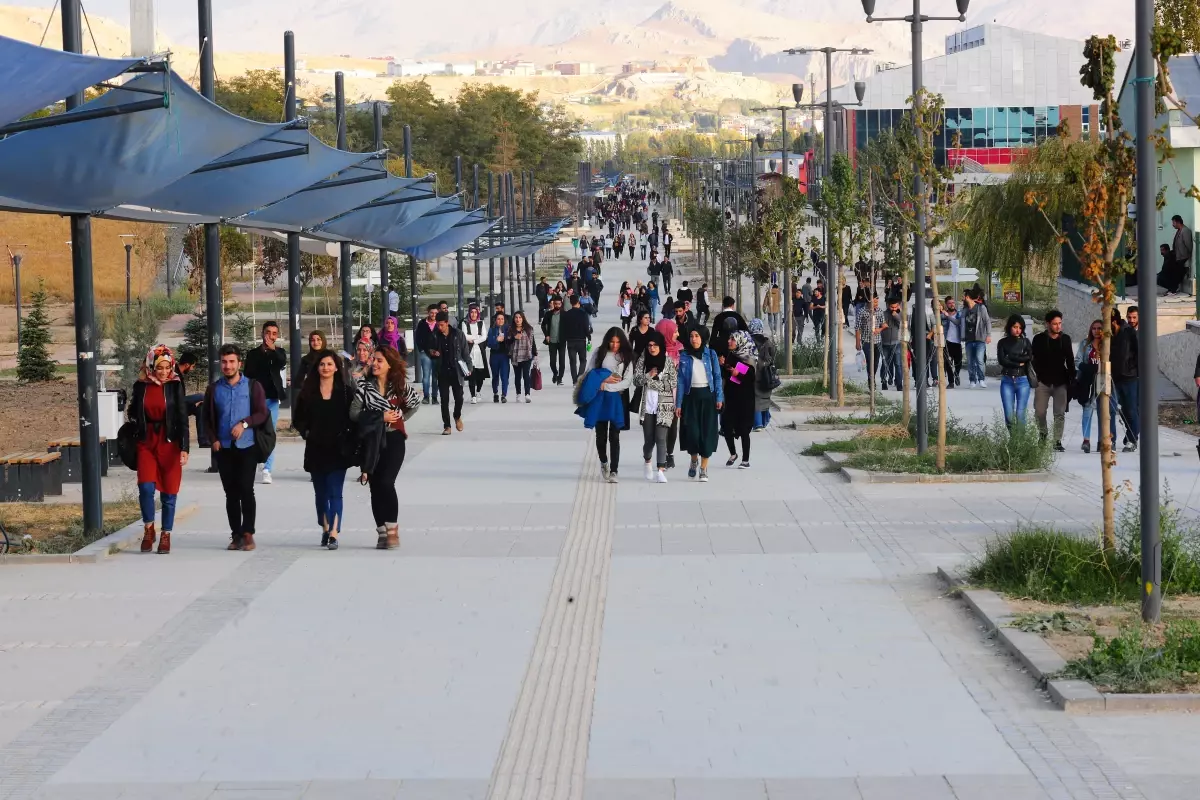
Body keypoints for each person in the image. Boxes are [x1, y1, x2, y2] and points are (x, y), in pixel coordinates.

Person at [204, 344, 270, 552]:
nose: (228, 366)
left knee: (246, 489)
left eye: (232, 362)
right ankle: (236, 534)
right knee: (231, 493)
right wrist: (213, 439)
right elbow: (206, 418)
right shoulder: (214, 389)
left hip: (247, 445)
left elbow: (262, 413)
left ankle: (248, 532)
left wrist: (244, 423)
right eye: (224, 362)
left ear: (239, 363)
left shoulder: (252, 386)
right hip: (224, 448)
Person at [355, 346, 419, 550]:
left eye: (379, 360)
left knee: (386, 482)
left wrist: (400, 418)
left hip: (394, 439)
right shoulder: (364, 387)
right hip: (371, 441)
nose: (374, 363)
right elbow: (353, 414)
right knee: (374, 485)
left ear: (389, 364)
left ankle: (392, 529)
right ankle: (382, 532)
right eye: (373, 359)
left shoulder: (399, 385)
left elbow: (414, 403)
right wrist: (379, 417)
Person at [129, 345, 189, 555]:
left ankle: (166, 534)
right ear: (151, 366)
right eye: (159, 367)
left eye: (167, 367)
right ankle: (148, 529)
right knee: (146, 487)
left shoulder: (175, 385)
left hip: (170, 442)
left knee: (169, 491)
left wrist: (185, 447)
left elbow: (182, 417)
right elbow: (132, 411)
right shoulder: (141, 385)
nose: (164, 372)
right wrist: (136, 425)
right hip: (146, 442)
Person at [293, 350, 354, 550]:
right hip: (316, 449)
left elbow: (353, 418)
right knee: (321, 495)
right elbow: (298, 419)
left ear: (336, 367)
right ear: (317, 367)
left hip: (338, 450)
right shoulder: (307, 393)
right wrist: (307, 432)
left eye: (329, 364)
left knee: (335, 492)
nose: (325, 368)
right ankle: (325, 528)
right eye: (322, 364)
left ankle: (334, 533)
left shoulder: (345, 392)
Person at [577, 328, 633, 483]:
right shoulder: (599, 353)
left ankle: (614, 470)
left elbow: (627, 381)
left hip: (618, 398)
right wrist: (603, 380)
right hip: (600, 398)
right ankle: (603, 461)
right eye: (612, 342)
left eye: (618, 342)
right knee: (601, 435)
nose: (615, 345)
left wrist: (607, 386)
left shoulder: (626, 356)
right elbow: (589, 372)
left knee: (615, 435)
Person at [676, 326, 723, 482]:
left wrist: (719, 398)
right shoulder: (684, 355)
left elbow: (717, 376)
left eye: (697, 336)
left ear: (702, 338)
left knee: (707, 434)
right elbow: (680, 380)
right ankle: (694, 459)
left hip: (708, 397)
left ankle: (703, 468)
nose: (694, 339)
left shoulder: (710, 354)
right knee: (692, 433)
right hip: (691, 398)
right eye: (691, 336)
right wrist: (679, 403)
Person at [241, 321, 285, 485]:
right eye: (268, 332)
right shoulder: (253, 354)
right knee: (253, 431)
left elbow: (282, 362)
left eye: (274, 333)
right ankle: (255, 461)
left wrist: (272, 351)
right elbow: (248, 374)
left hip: (272, 399)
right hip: (255, 399)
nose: (270, 336)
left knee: (269, 432)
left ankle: (267, 469)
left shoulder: (279, 352)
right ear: (262, 333)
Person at [633, 331, 677, 484]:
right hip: (648, 407)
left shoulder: (668, 361)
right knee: (649, 440)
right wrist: (648, 375)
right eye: (649, 345)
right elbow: (636, 380)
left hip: (664, 406)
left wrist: (651, 383)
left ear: (661, 346)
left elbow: (673, 383)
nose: (652, 348)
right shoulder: (643, 360)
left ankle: (661, 470)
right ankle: (647, 460)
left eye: (655, 345)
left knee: (661, 438)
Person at [1031, 309, 1075, 452]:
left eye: (1060, 323)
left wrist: (1072, 380)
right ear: (1047, 324)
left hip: (1060, 382)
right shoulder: (1039, 339)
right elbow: (1033, 359)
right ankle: (1043, 434)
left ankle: (1057, 441)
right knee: (1039, 412)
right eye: (1055, 324)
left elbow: (1070, 361)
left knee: (1059, 413)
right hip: (1042, 382)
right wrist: (1036, 376)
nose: (1058, 326)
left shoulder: (1065, 339)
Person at [428, 311, 471, 434]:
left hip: (456, 370)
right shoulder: (434, 335)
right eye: (438, 325)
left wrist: (469, 367)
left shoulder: (458, 334)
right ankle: (447, 426)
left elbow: (465, 352)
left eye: (441, 325)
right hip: (442, 371)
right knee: (444, 399)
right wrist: (432, 352)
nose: (439, 327)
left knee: (459, 398)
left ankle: (457, 416)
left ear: (447, 323)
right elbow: (429, 349)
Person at [721, 330, 757, 468]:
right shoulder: (731, 355)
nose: (729, 341)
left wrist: (738, 374)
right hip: (731, 397)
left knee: (744, 429)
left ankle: (745, 460)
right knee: (726, 426)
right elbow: (727, 374)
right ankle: (733, 453)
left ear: (741, 342)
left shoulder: (749, 358)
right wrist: (723, 365)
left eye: (733, 339)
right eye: (729, 339)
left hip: (745, 399)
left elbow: (751, 377)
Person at [1110, 305, 1140, 452]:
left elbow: (1139, 353)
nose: (1131, 320)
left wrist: (1135, 371)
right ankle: (1128, 435)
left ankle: (1132, 439)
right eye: (1129, 317)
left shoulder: (1130, 333)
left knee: (1132, 410)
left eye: (1134, 317)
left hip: (1130, 377)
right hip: (1115, 378)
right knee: (1120, 410)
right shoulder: (1112, 334)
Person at [997, 314, 1034, 429]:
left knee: (1020, 414)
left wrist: (1011, 357)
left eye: (1020, 328)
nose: (1018, 330)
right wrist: (1018, 363)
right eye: (1015, 327)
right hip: (1007, 380)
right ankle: (1013, 438)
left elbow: (1029, 357)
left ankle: (1021, 438)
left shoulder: (1025, 342)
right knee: (1009, 415)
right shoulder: (1002, 342)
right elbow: (1002, 360)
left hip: (1023, 381)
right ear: (1009, 327)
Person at [1075, 319, 1104, 454]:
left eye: (1099, 328)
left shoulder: (1107, 344)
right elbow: (1078, 361)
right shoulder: (1085, 344)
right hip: (1088, 380)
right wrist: (1087, 368)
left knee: (1103, 411)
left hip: (1103, 379)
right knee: (1087, 409)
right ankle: (1086, 440)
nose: (1096, 331)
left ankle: (1101, 441)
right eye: (1094, 328)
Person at [749, 319, 777, 430]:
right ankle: (763, 420)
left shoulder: (748, 341)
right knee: (765, 398)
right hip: (766, 374)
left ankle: (758, 423)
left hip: (752, 373)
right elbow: (773, 355)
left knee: (755, 399)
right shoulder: (767, 341)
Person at [509, 310, 539, 404]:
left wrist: (535, 353)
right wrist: (514, 338)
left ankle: (527, 394)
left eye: (520, 317)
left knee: (526, 375)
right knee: (518, 376)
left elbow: (532, 342)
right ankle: (518, 394)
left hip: (527, 354)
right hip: (515, 355)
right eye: (516, 318)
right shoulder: (511, 329)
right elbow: (507, 342)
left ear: (523, 319)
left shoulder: (529, 329)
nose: (518, 319)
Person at [962, 290, 991, 388]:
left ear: (967, 297)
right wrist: (947, 316)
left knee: (979, 360)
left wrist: (988, 335)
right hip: (969, 339)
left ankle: (981, 379)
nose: (962, 298)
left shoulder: (981, 308)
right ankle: (972, 380)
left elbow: (987, 321)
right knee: (970, 361)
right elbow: (959, 322)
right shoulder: (965, 310)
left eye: (963, 296)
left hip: (980, 339)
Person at [855, 294, 885, 389]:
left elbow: (883, 324)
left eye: (877, 302)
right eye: (874, 302)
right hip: (866, 341)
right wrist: (857, 342)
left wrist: (880, 329)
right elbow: (857, 328)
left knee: (876, 363)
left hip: (877, 341)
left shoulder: (879, 311)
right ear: (869, 301)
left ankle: (872, 377)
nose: (876, 304)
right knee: (870, 361)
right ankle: (871, 381)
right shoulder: (862, 312)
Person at [462, 304, 490, 403]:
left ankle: (478, 391)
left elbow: (484, 336)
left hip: (479, 351)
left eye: (475, 312)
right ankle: (473, 395)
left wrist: (474, 340)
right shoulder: (465, 323)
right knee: (471, 374)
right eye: (472, 312)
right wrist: (477, 336)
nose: (473, 314)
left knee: (480, 374)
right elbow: (465, 336)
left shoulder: (481, 323)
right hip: (469, 352)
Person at [414, 304, 441, 403]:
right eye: (431, 313)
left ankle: (434, 397)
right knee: (426, 376)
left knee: (435, 377)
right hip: (425, 353)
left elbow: (443, 338)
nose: (433, 315)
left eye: (435, 313)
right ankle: (426, 396)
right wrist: (422, 349)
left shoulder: (440, 323)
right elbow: (418, 338)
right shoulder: (422, 323)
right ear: (428, 313)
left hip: (437, 353)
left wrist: (439, 351)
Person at [563, 294, 592, 383]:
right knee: (583, 360)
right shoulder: (583, 314)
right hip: (581, 340)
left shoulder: (567, 314)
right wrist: (589, 337)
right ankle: (579, 377)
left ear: (570, 302)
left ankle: (574, 380)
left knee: (572, 361)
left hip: (570, 341)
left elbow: (564, 328)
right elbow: (586, 327)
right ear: (578, 302)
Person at [541, 295, 566, 386]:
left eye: (559, 304)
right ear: (553, 304)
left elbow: (569, 326)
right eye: (555, 304)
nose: (557, 305)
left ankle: (560, 378)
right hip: (552, 341)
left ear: (561, 304)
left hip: (562, 341)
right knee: (552, 362)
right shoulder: (548, 314)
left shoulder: (565, 314)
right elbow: (543, 325)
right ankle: (555, 373)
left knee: (562, 361)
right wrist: (546, 335)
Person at [488, 311, 512, 402]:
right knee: (495, 376)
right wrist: (496, 340)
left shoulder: (508, 329)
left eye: (502, 319)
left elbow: (511, 341)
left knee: (504, 376)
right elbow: (489, 343)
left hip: (504, 355)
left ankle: (504, 395)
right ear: (496, 320)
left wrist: (506, 339)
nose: (500, 321)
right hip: (494, 355)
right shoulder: (492, 330)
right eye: (498, 319)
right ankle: (495, 393)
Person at [941, 297, 963, 388]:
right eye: (949, 303)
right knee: (947, 362)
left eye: (953, 303)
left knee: (959, 361)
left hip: (957, 341)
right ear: (946, 304)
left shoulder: (959, 314)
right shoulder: (942, 315)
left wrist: (948, 316)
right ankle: (951, 382)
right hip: (947, 341)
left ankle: (956, 374)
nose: (952, 304)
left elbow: (958, 323)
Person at [1173, 214, 1194, 293]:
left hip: (1183, 257)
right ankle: (1174, 288)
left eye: (1174, 223)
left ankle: (1174, 289)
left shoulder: (1185, 231)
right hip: (1179, 257)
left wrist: (1188, 255)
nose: (1173, 225)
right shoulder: (1179, 231)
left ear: (1178, 222)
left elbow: (1188, 245)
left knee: (1179, 273)